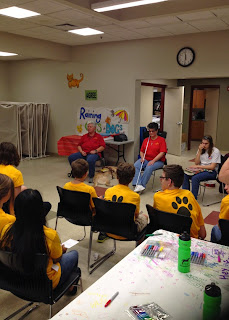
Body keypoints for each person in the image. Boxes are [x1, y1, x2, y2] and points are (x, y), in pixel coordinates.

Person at [0, 189, 79, 293]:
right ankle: (71, 288)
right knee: (74, 254)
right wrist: (62, 249)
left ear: (15, 210)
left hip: (15, 282)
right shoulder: (50, 235)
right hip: (44, 286)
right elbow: (56, 259)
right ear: (41, 211)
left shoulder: (7, 230)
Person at [97, 163, 148, 243]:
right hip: (128, 233)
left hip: (108, 229)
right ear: (132, 179)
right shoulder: (135, 196)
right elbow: (136, 215)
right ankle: (139, 247)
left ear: (117, 177)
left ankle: (102, 234)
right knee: (144, 216)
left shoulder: (108, 191)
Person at [153, 165, 206, 239]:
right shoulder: (189, 195)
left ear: (169, 181)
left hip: (167, 238)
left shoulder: (158, 196)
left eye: (162, 178)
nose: (160, 180)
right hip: (189, 241)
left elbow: (155, 219)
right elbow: (203, 234)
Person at [182, 135, 221, 199]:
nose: (204, 145)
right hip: (201, 169)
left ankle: (193, 198)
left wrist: (198, 166)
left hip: (211, 172)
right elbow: (196, 163)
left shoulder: (215, 151)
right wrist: (199, 151)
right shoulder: (201, 149)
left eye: (206, 144)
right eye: (202, 143)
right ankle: (186, 196)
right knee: (185, 174)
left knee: (195, 178)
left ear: (210, 144)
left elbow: (212, 167)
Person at [133, 122, 167, 193]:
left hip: (158, 161)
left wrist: (153, 161)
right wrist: (142, 158)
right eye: (149, 131)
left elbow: (162, 153)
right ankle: (137, 184)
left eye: (153, 131)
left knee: (149, 167)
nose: (151, 133)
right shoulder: (146, 140)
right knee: (136, 165)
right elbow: (141, 151)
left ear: (157, 131)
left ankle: (142, 185)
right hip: (146, 159)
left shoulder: (161, 140)